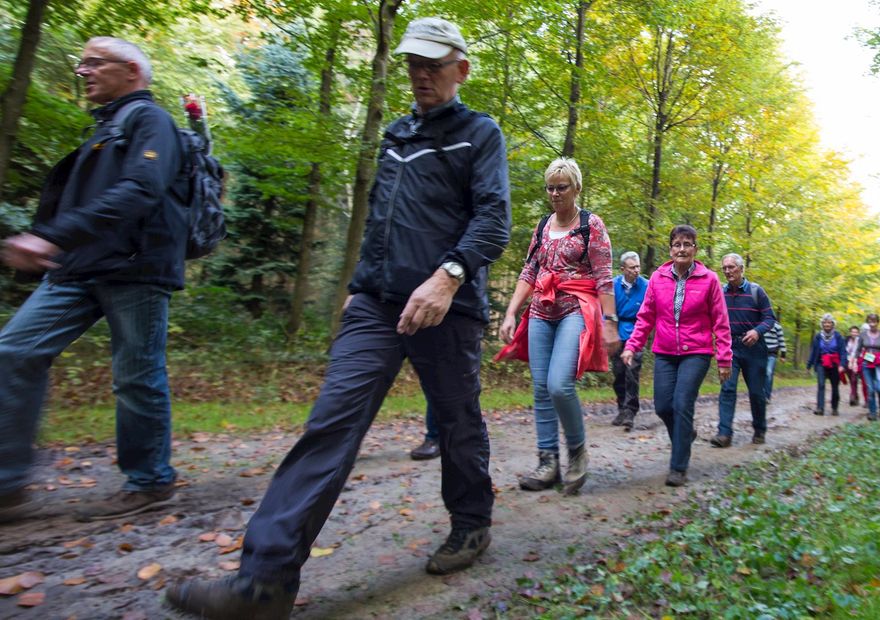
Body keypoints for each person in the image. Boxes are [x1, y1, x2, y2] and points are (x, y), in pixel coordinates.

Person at [167, 18, 511, 618]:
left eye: (433, 63)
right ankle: (265, 581)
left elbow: (493, 221)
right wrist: (357, 287)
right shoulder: (397, 135)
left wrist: (447, 276)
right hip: (377, 309)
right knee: (330, 424)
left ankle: (471, 522)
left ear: (462, 68)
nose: (421, 74)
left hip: (446, 308)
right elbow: (380, 220)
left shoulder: (479, 134)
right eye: (412, 63)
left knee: (456, 423)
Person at [0, 37, 188, 524]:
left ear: (130, 71)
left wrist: (50, 237)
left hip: (135, 270)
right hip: (78, 269)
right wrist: (60, 245)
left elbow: (142, 189)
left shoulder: (151, 121)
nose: (82, 71)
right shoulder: (105, 128)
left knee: (136, 375)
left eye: (93, 63)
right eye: (81, 63)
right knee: (14, 351)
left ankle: (150, 481)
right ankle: (7, 483)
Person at [496, 157, 617, 495]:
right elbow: (529, 272)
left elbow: (605, 278)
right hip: (540, 311)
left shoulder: (591, 225)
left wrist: (610, 322)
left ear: (576, 188)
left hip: (574, 308)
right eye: (550, 187)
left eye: (561, 187)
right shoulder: (542, 226)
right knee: (539, 388)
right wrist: (510, 313)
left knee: (559, 385)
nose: (554, 193)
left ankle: (577, 452)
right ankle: (547, 461)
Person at [622, 225, 731, 486]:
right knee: (663, 406)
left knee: (682, 404)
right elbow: (646, 316)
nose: (682, 249)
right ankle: (686, 433)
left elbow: (721, 321)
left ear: (695, 249)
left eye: (687, 244)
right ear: (670, 249)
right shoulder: (658, 278)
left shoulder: (710, 279)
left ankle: (678, 467)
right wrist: (632, 345)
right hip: (665, 351)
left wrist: (724, 358)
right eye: (677, 244)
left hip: (697, 352)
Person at [709, 253, 776, 447]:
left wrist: (757, 331)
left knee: (756, 392)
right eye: (725, 268)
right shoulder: (719, 292)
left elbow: (769, 318)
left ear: (741, 268)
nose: (728, 271)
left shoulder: (756, 291)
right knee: (727, 388)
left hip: (755, 349)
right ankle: (724, 434)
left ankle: (759, 430)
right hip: (730, 347)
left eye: (731, 267)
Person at [610, 251, 648, 429]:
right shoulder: (612, 285)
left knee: (632, 372)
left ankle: (630, 412)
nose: (637, 270)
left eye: (638, 266)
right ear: (623, 268)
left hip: (637, 333)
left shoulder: (646, 286)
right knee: (618, 373)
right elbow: (606, 312)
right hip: (617, 333)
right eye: (632, 267)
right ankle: (621, 408)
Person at [856, 313, 880, 420]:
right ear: (867, 322)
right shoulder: (863, 335)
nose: (872, 323)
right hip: (866, 362)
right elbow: (858, 350)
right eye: (870, 321)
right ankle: (872, 412)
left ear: (878, 322)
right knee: (870, 388)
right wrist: (853, 362)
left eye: (874, 321)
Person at [806, 314, 847, 416]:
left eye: (829, 322)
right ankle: (820, 408)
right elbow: (814, 351)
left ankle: (834, 408)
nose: (827, 324)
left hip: (834, 363)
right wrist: (809, 365)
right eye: (825, 322)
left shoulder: (838, 336)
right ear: (822, 324)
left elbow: (843, 351)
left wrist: (842, 364)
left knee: (835, 386)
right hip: (821, 362)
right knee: (821, 384)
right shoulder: (818, 336)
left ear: (833, 324)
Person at [762, 319, 786, 403]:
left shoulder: (777, 326)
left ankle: (766, 397)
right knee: (760, 374)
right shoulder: (760, 324)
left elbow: (781, 341)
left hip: (771, 354)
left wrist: (783, 355)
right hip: (760, 353)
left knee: (768, 373)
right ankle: (760, 395)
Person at [845, 325, 868, 406]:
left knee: (865, 382)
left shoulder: (867, 341)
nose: (854, 333)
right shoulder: (848, 340)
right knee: (853, 380)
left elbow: (870, 354)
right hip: (851, 362)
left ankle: (867, 400)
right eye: (852, 332)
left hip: (864, 362)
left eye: (856, 332)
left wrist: (867, 360)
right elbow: (847, 351)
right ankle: (854, 397)